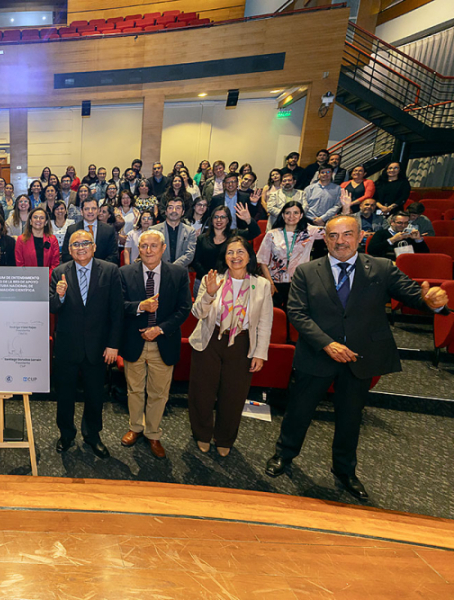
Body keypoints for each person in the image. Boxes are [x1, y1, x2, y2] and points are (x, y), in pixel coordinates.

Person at [265, 215, 449, 500]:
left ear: (360, 235)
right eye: (334, 236)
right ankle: (284, 455)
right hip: (317, 355)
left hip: (358, 359)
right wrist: (328, 345)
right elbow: (298, 314)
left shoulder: (382, 268)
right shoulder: (305, 271)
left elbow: (416, 295)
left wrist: (432, 303)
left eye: (347, 234)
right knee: (298, 412)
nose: (341, 241)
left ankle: (344, 471)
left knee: (350, 418)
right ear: (325, 240)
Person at [188, 237, 273, 456]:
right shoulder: (212, 278)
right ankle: (202, 434)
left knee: (233, 394)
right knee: (202, 392)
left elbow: (264, 322)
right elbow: (197, 313)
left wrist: (260, 353)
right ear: (224, 257)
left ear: (248, 256)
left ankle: (224, 438)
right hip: (210, 339)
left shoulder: (261, 284)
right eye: (230, 252)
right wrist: (209, 293)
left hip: (242, 343)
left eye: (240, 252)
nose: (235, 257)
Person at [50, 230, 123, 458]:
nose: (80, 247)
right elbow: (52, 306)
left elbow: (117, 311)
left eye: (85, 243)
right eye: (75, 244)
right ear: (69, 250)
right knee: (65, 395)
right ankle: (66, 434)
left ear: (94, 247)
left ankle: (93, 435)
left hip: (98, 347)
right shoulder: (59, 272)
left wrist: (113, 344)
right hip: (67, 346)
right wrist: (59, 296)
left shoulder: (110, 271)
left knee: (95, 395)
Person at [118, 229, 191, 457]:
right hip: (134, 340)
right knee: (135, 390)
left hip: (164, 341)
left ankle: (153, 433)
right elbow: (118, 305)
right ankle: (135, 427)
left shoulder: (178, 274)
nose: (148, 250)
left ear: (163, 248)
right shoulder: (125, 273)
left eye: (153, 246)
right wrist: (141, 306)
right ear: (138, 249)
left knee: (159, 392)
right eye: (143, 246)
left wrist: (159, 329)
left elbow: (184, 309)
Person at [257, 201, 324, 309]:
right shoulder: (272, 234)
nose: (291, 216)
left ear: (301, 215)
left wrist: (345, 208)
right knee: (275, 315)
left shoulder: (309, 232)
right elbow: (262, 261)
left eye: (296, 213)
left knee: (296, 314)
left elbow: (332, 231)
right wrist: (270, 283)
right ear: (283, 215)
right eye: (288, 213)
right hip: (276, 282)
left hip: (299, 282)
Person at [191, 204, 260, 295]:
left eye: (223, 217)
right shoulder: (202, 238)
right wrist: (209, 277)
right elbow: (196, 261)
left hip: (229, 282)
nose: (219, 220)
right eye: (216, 217)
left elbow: (255, 233)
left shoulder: (235, 235)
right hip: (204, 281)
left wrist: (248, 220)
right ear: (211, 220)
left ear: (228, 220)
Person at [60, 197, 119, 265]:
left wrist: (99, 268)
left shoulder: (108, 230)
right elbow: (66, 255)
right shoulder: (72, 230)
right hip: (77, 270)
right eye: (87, 209)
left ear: (98, 211)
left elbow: (113, 255)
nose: (90, 211)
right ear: (81, 212)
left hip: (102, 272)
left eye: (93, 208)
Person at [15, 207, 60, 274]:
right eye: (35, 217)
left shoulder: (53, 240)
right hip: (28, 280)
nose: (38, 220)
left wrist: (46, 278)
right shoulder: (21, 240)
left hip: (48, 280)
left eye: (42, 218)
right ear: (30, 221)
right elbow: (19, 264)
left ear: (46, 222)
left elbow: (55, 264)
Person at [153, 198, 197, 268]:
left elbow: (189, 254)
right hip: (159, 271)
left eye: (178, 208)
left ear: (183, 212)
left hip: (180, 273)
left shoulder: (190, 231)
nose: (174, 211)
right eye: (170, 208)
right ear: (166, 212)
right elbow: (152, 252)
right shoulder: (154, 230)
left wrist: (172, 268)